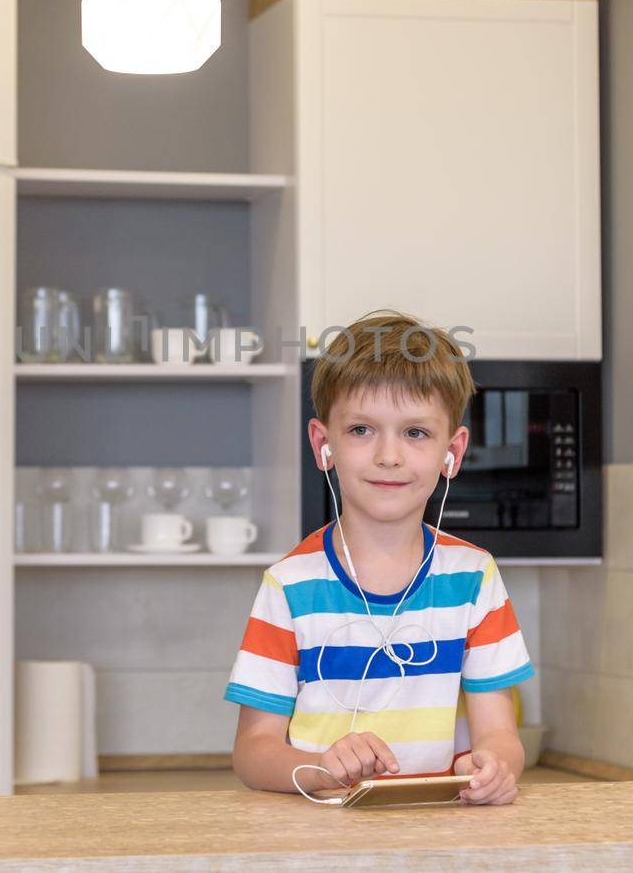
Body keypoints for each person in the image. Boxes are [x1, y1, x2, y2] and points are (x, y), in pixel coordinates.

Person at [225, 310, 532, 806]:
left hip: (437, 834)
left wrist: (495, 766)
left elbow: (500, 736)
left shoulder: (475, 578)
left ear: (451, 451)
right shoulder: (289, 585)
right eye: (363, 430)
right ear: (324, 445)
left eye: (415, 433)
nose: (389, 456)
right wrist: (322, 767)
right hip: (316, 840)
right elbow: (252, 752)